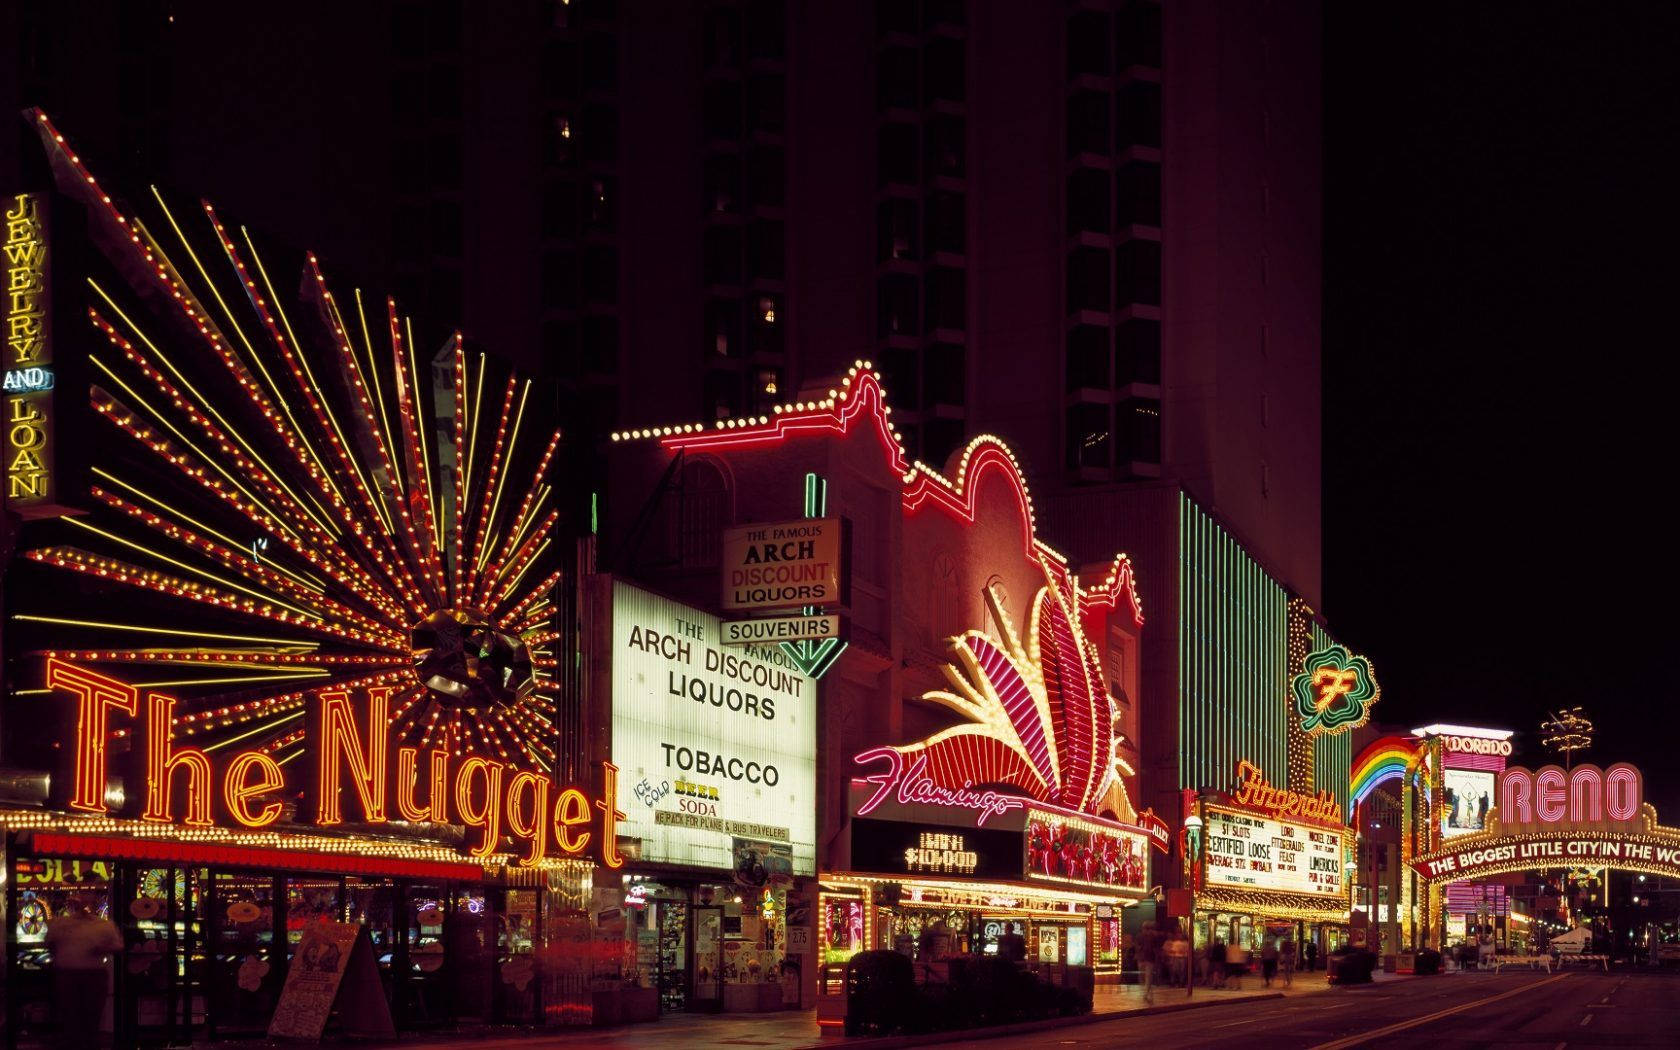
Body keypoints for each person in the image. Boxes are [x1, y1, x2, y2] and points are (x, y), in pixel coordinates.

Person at [45, 896, 122, 1050]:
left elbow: (49, 944)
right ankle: (85, 1043)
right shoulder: (103, 925)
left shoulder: (61, 924)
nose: (83, 907)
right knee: (83, 1016)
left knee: (78, 1015)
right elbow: (118, 946)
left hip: (76, 974)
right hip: (85, 974)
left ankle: (80, 1043)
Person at [1136, 921, 1160, 1003]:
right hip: (1148, 959)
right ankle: (1148, 994)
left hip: (1143, 958)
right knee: (1147, 977)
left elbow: (1138, 947)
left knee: (1144, 977)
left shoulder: (1141, 936)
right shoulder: (1153, 936)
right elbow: (1156, 949)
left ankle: (1146, 994)